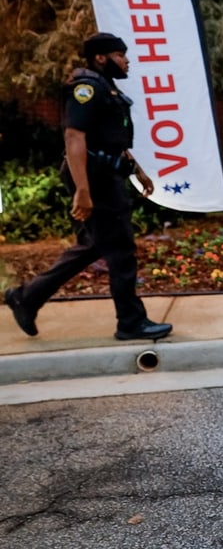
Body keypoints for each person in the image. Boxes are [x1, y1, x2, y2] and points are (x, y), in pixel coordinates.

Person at [3, 33, 173, 341]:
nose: (126, 60)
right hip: (94, 178)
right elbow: (74, 138)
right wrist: (83, 190)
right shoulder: (86, 89)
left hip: (104, 174)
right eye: (120, 55)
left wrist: (139, 171)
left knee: (94, 245)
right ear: (100, 57)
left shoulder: (106, 89)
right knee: (121, 250)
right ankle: (131, 323)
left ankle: (27, 298)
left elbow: (110, 140)